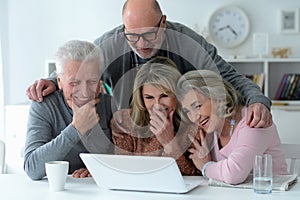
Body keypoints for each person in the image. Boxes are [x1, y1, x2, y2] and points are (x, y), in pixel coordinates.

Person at [26, 0, 272, 128]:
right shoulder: (110, 43)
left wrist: (258, 101)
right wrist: (50, 81)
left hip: (181, 133)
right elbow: (77, 69)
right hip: (127, 135)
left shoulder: (188, 44)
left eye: (149, 34)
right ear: (123, 28)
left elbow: (230, 78)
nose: (141, 44)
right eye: (132, 35)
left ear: (163, 22)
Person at [176, 70, 288, 184]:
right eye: (187, 112)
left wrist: (206, 166)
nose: (194, 117)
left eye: (197, 106)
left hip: (272, 194)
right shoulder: (209, 129)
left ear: (219, 97)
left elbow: (233, 174)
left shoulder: (255, 121)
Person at [24, 40, 113, 180]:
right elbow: (32, 168)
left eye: (92, 82)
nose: (84, 92)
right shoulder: (44, 105)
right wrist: (76, 129)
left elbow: (123, 158)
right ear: (59, 81)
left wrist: (98, 167)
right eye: (74, 83)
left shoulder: (109, 105)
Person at [111, 56, 200, 175]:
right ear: (141, 99)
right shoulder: (126, 123)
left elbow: (194, 176)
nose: (157, 105)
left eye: (164, 96)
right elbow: (123, 170)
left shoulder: (193, 125)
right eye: (149, 97)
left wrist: (170, 143)